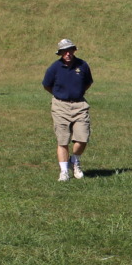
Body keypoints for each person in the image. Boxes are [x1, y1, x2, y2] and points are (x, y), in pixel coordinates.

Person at [42, 38, 93, 182]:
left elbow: (88, 82)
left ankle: (75, 161)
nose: (68, 54)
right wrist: (60, 95)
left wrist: (77, 94)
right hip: (60, 106)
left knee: (82, 139)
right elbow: (46, 85)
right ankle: (64, 172)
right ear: (60, 53)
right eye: (64, 51)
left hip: (80, 106)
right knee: (63, 140)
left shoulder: (82, 65)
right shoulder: (54, 68)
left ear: (74, 50)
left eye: (70, 50)